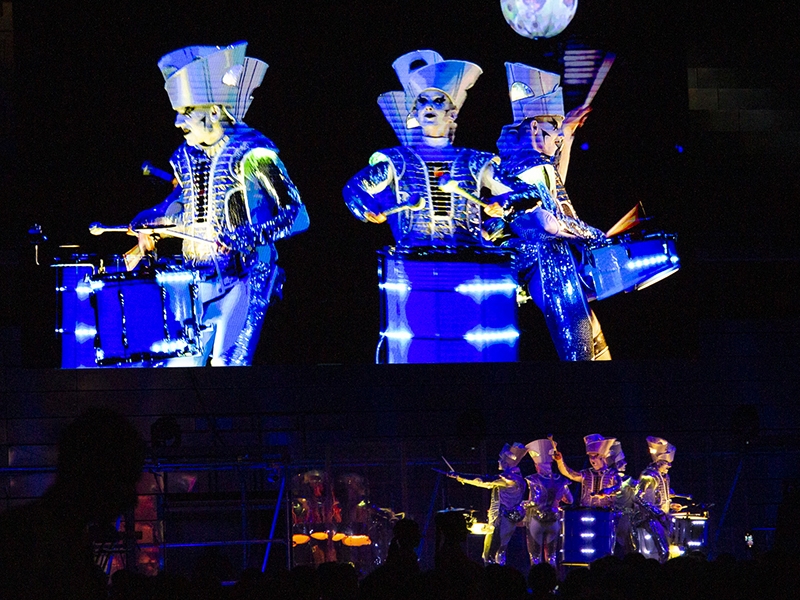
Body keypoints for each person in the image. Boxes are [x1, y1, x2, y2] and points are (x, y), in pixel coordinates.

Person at [130, 41, 308, 366]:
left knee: (228, 369)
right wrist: (155, 219)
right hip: (197, 280)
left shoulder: (253, 152)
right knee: (179, 369)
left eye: (187, 112)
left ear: (214, 111)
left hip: (245, 277)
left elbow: (297, 216)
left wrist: (244, 236)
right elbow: (181, 206)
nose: (178, 122)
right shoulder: (187, 157)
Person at [490, 63, 610, 360]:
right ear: (534, 128)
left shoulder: (517, 167)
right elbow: (551, 221)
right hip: (552, 265)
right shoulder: (534, 166)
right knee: (582, 349)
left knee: (592, 339)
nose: (557, 136)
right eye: (554, 127)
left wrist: (566, 132)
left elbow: (556, 186)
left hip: (541, 265)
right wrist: (594, 235)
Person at [342, 50, 509, 249]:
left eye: (438, 101)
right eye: (422, 101)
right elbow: (355, 188)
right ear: (415, 112)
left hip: (468, 258)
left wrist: (500, 208)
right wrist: (368, 209)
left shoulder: (473, 161)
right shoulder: (398, 160)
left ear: (453, 113)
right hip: (415, 259)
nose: (428, 107)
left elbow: (521, 192)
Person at [0, 407, 146, 600]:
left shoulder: (27, 536)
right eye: (125, 480)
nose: (132, 499)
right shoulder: (37, 544)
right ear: (96, 474)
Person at [448, 442, 527, 565]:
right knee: (499, 552)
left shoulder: (509, 479)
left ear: (507, 462)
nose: (499, 461)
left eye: (501, 459)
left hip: (501, 519)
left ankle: (492, 575)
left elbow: (484, 481)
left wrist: (460, 476)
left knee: (490, 553)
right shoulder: (517, 478)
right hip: (507, 518)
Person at [524, 438, 573, 567]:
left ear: (537, 465)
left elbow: (533, 501)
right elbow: (570, 500)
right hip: (554, 520)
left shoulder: (533, 479)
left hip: (536, 520)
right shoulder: (561, 480)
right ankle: (553, 578)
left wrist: (522, 505)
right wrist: (557, 498)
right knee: (552, 556)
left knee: (535, 556)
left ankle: (536, 578)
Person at [634, 436, 680, 563]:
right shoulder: (648, 476)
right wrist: (656, 511)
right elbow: (637, 496)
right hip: (648, 518)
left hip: (663, 517)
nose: (669, 466)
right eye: (667, 463)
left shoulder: (664, 476)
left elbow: (660, 497)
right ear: (659, 462)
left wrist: (670, 505)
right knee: (664, 551)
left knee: (673, 550)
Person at [553, 434, 620, 508]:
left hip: (606, 512)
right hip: (586, 511)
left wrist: (610, 490)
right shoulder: (585, 474)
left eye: (595, 456)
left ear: (603, 457)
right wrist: (559, 461)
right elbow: (569, 473)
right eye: (590, 456)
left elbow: (619, 487)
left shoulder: (613, 473)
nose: (592, 459)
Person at [606, 440, 639, 555]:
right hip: (622, 516)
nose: (625, 464)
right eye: (621, 462)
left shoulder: (624, 479)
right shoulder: (625, 480)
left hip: (627, 515)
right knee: (621, 541)